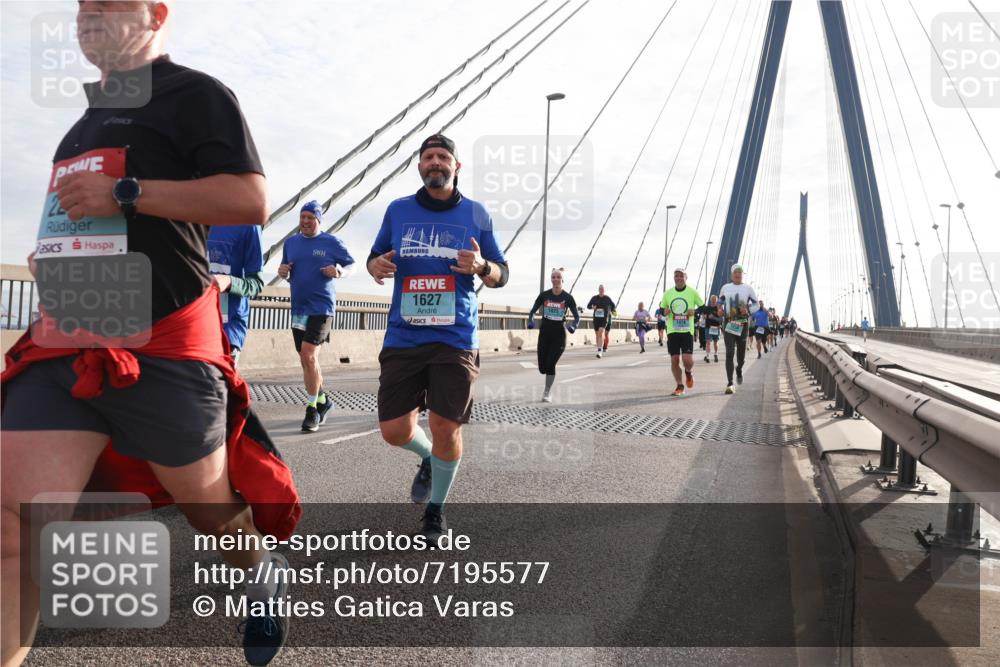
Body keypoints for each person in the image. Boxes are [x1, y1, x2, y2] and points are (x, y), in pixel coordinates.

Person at [0, 3, 295, 665]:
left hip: (163, 343)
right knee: (14, 528)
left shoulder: (197, 95)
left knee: (208, 508)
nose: (87, 15)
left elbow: (248, 200)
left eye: (108, 2)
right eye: (80, 5)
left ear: (156, 13)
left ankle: (260, 569)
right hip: (67, 345)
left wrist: (127, 192)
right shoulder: (78, 128)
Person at [366, 134, 509, 543]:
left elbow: (502, 273)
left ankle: (435, 511)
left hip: (455, 336)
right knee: (394, 430)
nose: (435, 162)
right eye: (428, 156)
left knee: (446, 426)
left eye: (443, 156)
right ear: (419, 166)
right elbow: (374, 258)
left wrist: (482, 266)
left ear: (456, 167)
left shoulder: (477, 214)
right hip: (404, 335)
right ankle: (428, 458)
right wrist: (375, 264)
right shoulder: (398, 211)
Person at [278, 200, 355, 432]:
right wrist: (283, 272)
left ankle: (311, 409)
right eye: (302, 217)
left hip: (322, 308)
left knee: (309, 356)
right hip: (299, 307)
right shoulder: (291, 243)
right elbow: (286, 268)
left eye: (310, 217)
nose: (305, 221)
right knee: (305, 359)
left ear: (318, 220)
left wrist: (339, 271)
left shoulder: (331, 242)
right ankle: (324, 401)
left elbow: (352, 265)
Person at [208, 223, 264, 366]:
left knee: (217, 386)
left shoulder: (249, 225)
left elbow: (256, 283)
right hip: (192, 324)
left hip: (228, 328)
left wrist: (229, 282)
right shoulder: (190, 215)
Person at [527, 267, 580, 402]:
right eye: (553, 277)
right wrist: (530, 320)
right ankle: (546, 382)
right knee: (542, 368)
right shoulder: (544, 295)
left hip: (559, 335)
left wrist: (573, 325)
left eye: (558, 277)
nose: (555, 279)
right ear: (551, 279)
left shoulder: (568, 298)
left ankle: (547, 392)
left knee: (551, 364)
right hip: (544, 333)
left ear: (562, 279)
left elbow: (577, 317)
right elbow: (532, 311)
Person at [660, 268, 704, 396]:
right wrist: (665, 311)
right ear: (674, 278)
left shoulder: (692, 292)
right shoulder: (668, 293)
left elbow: (702, 307)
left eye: (681, 276)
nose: (678, 278)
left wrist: (695, 313)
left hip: (686, 330)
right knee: (674, 360)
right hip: (672, 330)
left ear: (686, 277)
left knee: (687, 360)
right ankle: (679, 385)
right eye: (676, 276)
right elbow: (662, 308)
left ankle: (688, 372)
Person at [719, 263, 759, 394]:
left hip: (742, 324)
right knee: (730, 352)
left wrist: (747, 309)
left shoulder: (748, 288)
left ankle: (739, 369)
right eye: (735, 272)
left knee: (741, 356)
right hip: (729, 323)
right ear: (732, 274)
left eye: (740, 272)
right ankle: (730, 383)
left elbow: (756, 304)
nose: (738, 274)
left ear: (742, 275)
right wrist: (719, 309)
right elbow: (720, 302)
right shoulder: (725, 287)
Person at [586, 285, 616, 358]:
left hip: (604, 319)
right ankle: (599, 348)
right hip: (596, 319)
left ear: (604, 290)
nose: (601, 290)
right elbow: (588, 306)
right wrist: (592, 307)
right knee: (597, 335)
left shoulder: (607, 298)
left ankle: (600, 351)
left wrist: (612, 311)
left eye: (602, 289)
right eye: (600, 289)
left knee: (601, 332)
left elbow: (613, 305)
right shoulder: (594, 298)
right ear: (598, 290)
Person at [703, 294, 722, 363]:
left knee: (715, 342)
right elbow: (704, 317)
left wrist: (714, 317)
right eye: (712, 300)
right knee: (708, 342)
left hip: (716, 327)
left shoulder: (719, 308)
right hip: (708, 327)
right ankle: (707, 355)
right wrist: (707, 316)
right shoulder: (706, 308)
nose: (713, 301)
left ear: (716, 301)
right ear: (710, 300)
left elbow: (721, 319)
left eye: (715, 300)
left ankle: (716, 354)